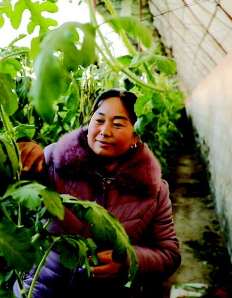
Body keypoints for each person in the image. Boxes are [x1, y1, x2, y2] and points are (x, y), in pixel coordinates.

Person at [14, 88, 181, 297]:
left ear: (135, 136)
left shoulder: (154, 191)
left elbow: (169, 255)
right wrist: (20, 152)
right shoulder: (54, 161)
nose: (105, 131)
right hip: (41, 291)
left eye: (118, 124)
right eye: (99, 120)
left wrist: (128, 260)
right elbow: (8, 188)